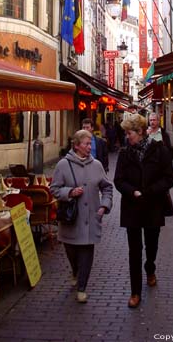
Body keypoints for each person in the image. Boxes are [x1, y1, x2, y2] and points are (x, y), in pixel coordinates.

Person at [114, 114, 173, 309]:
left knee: (151, 244)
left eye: (129, 132)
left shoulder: (160, 151)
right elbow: (118, 180)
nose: (127, 136)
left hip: (153, 206)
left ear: (140, 132)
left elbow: (169, 178)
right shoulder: (125, 153)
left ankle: (150, 267)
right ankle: (135, 292)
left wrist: (148, 192)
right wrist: (133, 192)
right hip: (132, 207)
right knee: (134, 250)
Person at [50, 129, 113, 303]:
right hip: (71, 219)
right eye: (86, 143)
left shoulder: (97, 165)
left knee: (86, 252)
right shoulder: (63, 165)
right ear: (76, 146)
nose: (89, 146)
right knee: (72, 252)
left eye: (90, 143)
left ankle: (82, 288)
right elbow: (54, 189)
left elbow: (107, 187)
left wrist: (104, 206)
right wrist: (69, 192)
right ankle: (75, 271)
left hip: (91, 217)